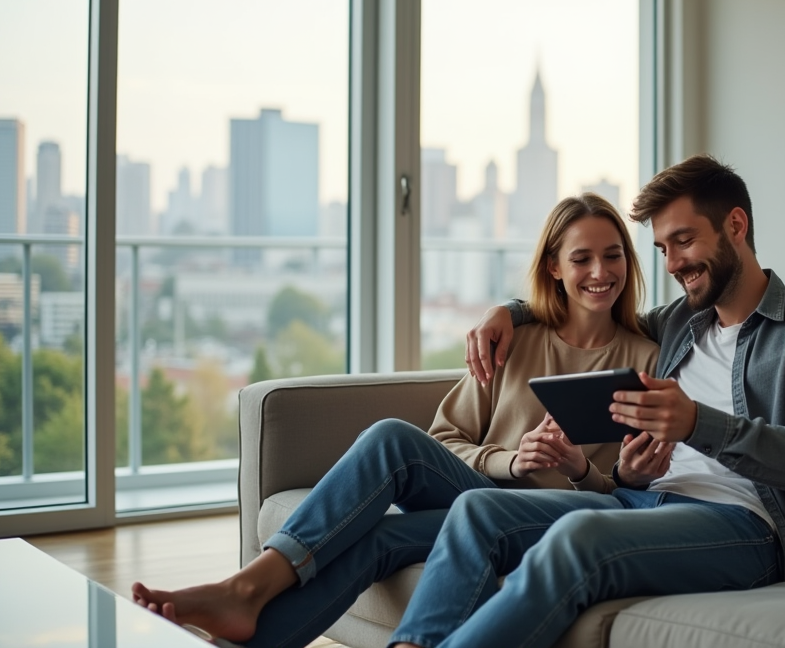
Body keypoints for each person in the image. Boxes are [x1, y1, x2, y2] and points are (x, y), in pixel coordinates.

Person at [131, 192, 662, 648]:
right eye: (582, 258)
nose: (600, 272)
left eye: (613, 256)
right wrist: (509, 461)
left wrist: (575, 468)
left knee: (381, 542)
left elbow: (628, 490)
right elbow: (446, 437)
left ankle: (246, 615)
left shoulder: (647, 359)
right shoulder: (515, 340)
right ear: (555, 267)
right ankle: (248, 589)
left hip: (558, 517)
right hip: (481, 490)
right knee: (390, 437)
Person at [382, 153, 785, 648]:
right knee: (477, 511)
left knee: (577, 540)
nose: (674, 264)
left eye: (684, 240)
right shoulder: (678, 321)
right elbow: (588, 300)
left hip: (744, 523)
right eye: (661, 248)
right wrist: (506, 311)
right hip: (638, 502)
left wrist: (698, 423)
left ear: (736, 225)